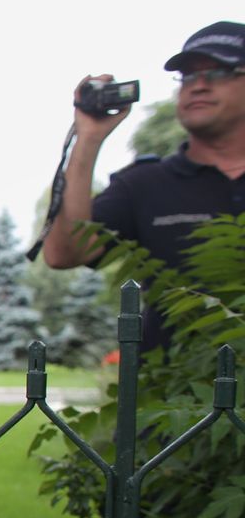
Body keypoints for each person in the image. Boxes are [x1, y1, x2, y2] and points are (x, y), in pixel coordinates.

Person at [41, 20, 245, 351]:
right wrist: (88, 139)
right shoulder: (143, 184)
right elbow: (62, 253)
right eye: (189, 76)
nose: (199, 85)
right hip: (177, 395)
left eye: (219, 72)